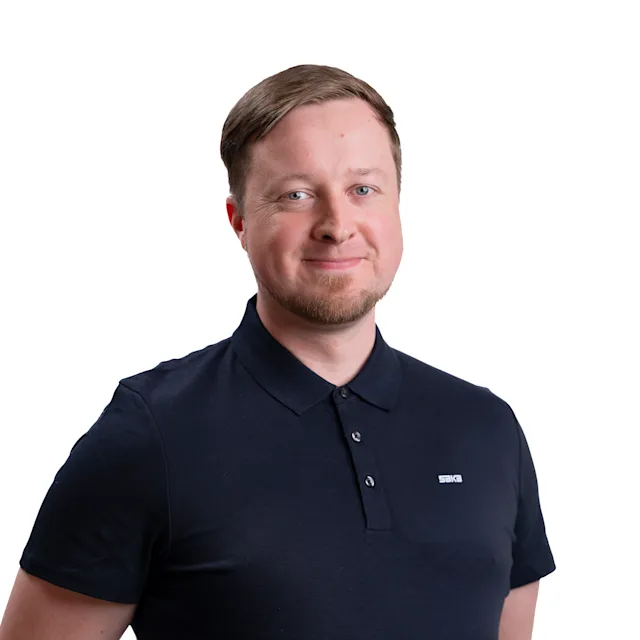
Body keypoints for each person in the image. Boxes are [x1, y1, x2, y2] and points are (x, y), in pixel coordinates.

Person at [0, 64, 555, 640]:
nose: (337, 225)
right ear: (239, 221)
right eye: (297, 195)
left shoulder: (486, 428)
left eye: (363, 190)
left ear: (396, 206)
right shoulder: (149, 433)